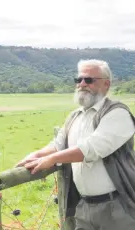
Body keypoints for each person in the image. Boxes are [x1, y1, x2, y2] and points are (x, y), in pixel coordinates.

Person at [15, 59, 135, 230]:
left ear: (106, 84)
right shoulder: (75, 116)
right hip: (83, 205)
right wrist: (36, 155)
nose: (82, 84)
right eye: (78, 80)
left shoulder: (117, 113)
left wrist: (51, 159)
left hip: (116, 206)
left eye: (89, 80)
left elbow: (91, 149)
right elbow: (58, 144)